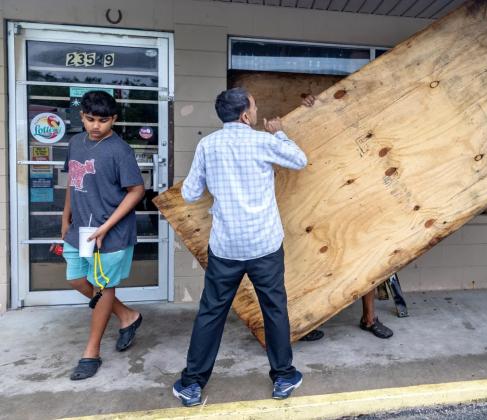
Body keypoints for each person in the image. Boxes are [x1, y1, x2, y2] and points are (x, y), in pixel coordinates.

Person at [172, 88, 305, 407]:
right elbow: (300, 160)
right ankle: (283, 376)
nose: (257, 112)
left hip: (226, 245)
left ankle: (192, 384)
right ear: (245, 115)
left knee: (212, 311)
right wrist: (281, 134)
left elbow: (190, 194)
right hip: (264, 243)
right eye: (254, 107)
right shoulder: (263, 141)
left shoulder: (208, 145)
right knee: (273, 308)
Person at [56, 91, 145, 380]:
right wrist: (65, 215)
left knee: (103, 287)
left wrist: (106, 227)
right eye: (90, 119)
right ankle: (127, 316)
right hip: (80, 228)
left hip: (111, 232)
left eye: (103, 121)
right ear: (81, 116)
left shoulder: (120, 150)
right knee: (76, 279)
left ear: (114, 120)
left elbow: (137, 191)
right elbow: (73, 180)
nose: (96, 126)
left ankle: (90, 353)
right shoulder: (75, 143)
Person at [298, 94, 394, 341]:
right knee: (318, 263)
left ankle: (369, 319)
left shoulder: (372, 133)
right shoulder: (330, 130)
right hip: (326, 203)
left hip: (362, 204)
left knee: (367, 265)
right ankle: (307, 320)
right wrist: (309, 109)